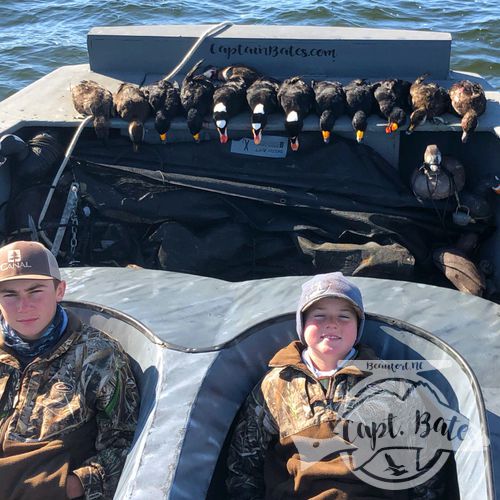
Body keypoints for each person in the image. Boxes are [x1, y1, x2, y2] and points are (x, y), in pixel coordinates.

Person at [226, 271, 446, 499]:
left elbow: (425, 462)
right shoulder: (275, 384)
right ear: (302, 324)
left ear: (359, 327)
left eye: (344, 316)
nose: (332, 324)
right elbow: (244, 463)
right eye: (319, 316)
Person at [0, 240, 140, 500]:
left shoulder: (99, 356)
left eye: (35, 291)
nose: (23, 306)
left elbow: (128, 444)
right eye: (10, 295)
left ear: (59, 290)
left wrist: (67, 486)